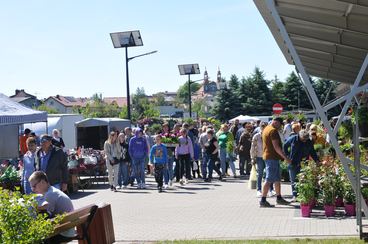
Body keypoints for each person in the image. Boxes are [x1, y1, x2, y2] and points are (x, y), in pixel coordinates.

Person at [29, 171, 75, 243]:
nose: (33, 189)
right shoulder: (53, 191)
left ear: (42, 182)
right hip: (68, 229)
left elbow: (44, 217)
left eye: (34, 186)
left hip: (63, 233)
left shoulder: (50, 195)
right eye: (31, 187)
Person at [260, 117, 291, 207]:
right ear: (276, 122)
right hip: (272, 158)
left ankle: (279, 198)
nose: (280, 127)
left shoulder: (266, 128)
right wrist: (286, 158)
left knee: (277, 179)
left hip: (270, 157)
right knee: (269, 179)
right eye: (280, 125)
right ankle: (263, 200)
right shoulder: (273, 131)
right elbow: (276, 147)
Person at [283, 129, 319, 201]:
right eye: (303, 139)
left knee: (303, 179)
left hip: (304, 163)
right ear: (299, 136)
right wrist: (287, 157)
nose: (304, 141)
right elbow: (285, 146)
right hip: (293, 162)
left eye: (306, 139)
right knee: (294, 180)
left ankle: (302, 195)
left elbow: (312, 152)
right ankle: (295, 196)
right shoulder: (293, 139)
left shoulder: (308, 141)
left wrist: (317, 160)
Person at [251, 122, 274, 197]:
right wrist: (252, 157)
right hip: (259, 156)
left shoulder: (269, 135)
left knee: (269, 173)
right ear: (260, 127)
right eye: (262, 126)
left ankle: (271, 189)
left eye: (265, 126)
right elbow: (253, 147)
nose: (263, 127)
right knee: (260, 173)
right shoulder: (256, 136)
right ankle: (259, 190)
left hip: (268, 156)